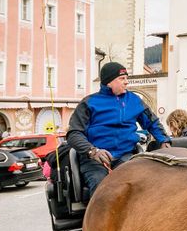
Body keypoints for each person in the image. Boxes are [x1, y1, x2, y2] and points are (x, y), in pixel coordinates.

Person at [67, 61, 171, 198]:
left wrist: (164, 140)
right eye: (122, 79)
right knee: (101, 189)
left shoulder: (134, 100)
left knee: (143, 184)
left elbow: (152, 122)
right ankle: (98, 219)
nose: (126, 82)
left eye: (127, 78)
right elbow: (74, 133)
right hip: (96, 159)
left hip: (126, 155)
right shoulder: (89, 102)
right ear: (109, 82)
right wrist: (92, 151)